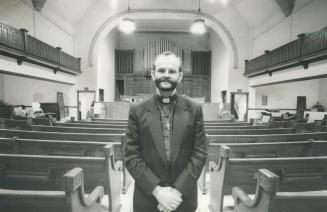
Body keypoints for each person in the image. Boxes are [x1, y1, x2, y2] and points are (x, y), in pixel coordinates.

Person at [124, 51, 207, 212]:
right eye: (161, 71)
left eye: (172, 71)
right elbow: (131, 155)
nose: (166, 75)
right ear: (153, 73)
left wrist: (176, 192)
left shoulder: (194, 109)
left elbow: (199, 154)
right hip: (148, 198)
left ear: (180, 76)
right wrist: (157, 191)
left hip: (183, 199)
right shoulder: (137, 109)